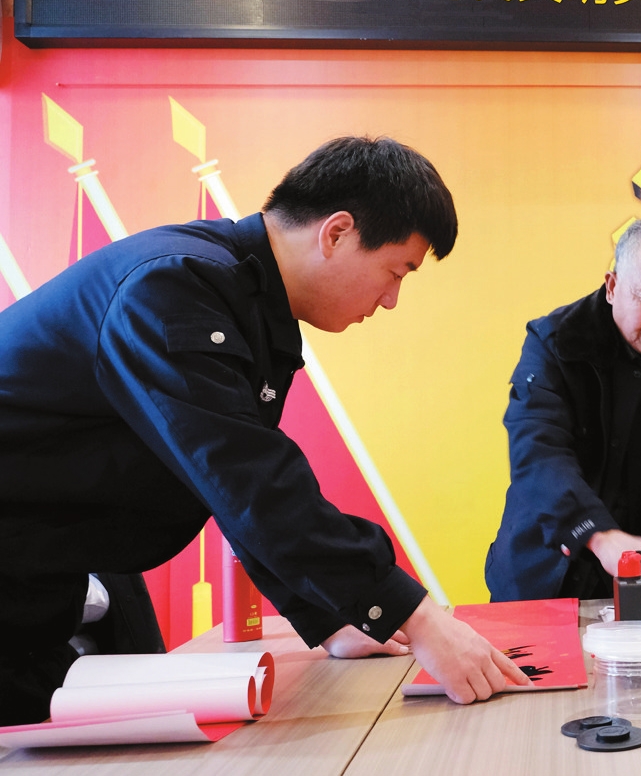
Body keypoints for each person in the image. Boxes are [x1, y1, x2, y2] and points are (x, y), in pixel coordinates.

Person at [0, 137, 529, 725]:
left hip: (39, 577)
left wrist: (331, 619)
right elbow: (247, 481)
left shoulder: (242, 302)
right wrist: (419, 619)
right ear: (337, 233)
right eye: (395, 271)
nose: (390, 300)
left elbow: (236, 493)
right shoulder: (171, 286)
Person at [485, 218, 641, 604]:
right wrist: (600, 535)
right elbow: (538, 454)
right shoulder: (556, 343)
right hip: (543, 574)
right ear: (613, 286)